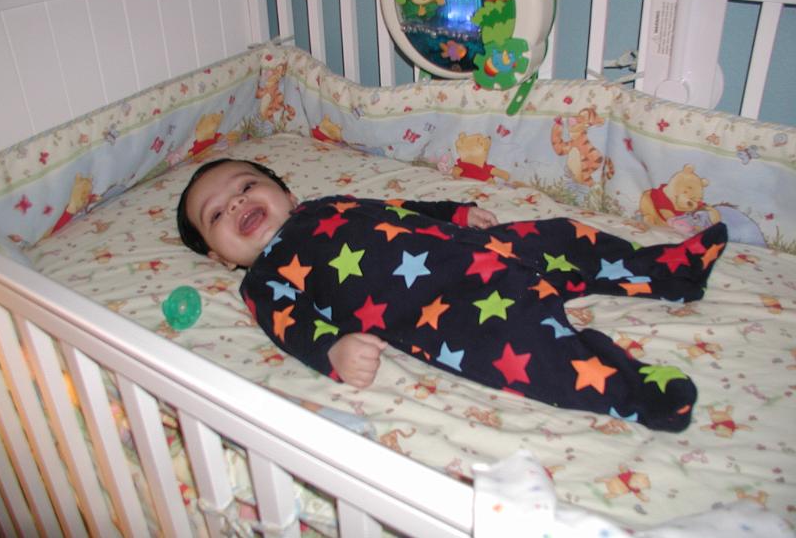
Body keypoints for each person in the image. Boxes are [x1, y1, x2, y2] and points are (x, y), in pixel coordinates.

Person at [177, 158, 728, 432]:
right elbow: (290, 327)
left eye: (245, 185)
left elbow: (395, 212)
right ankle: (634, 389)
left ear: (285, 191)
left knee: (565, 236)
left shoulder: (326, 203)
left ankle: (668, 269)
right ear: (220, 257)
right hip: (448, 314)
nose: (236, 203)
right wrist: (331, 353)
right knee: (533, 354)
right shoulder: (262, 280)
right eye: (217, 214)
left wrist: (454, 213)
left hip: (481, 247)